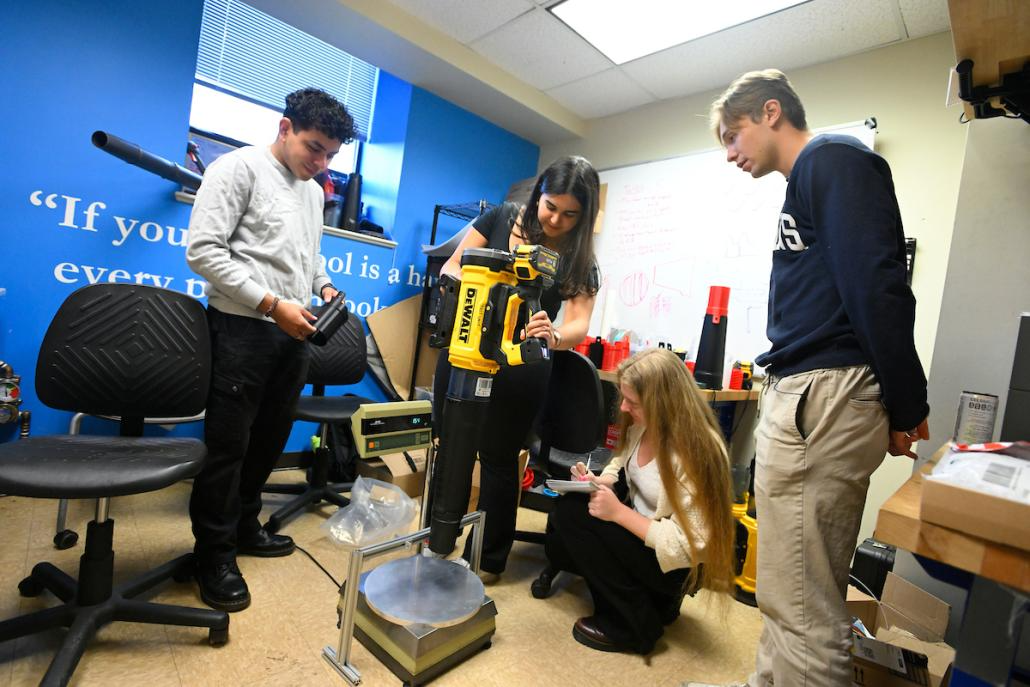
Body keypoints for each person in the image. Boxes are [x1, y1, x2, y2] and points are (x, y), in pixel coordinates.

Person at [689, 69, 930, 687]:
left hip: (823, 393)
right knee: (788, 591)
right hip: (812, 392)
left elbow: (878, 287)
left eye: (733, 135)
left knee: (805, 609)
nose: (730, 153)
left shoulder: (834, 161)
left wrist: (907, 405)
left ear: (770, 112)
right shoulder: (809, 180)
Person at [185, 88, 355, 612]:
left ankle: (245, 528)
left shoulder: (313, 190)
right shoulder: (237, 170)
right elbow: (203, 252)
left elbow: (309, 253)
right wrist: (270, 304)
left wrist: (323, 285)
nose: (321, 163)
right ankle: (213, 556)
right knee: (228, 449)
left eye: (331, 155)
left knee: (268, 441)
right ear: (285, 128)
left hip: (293, 330)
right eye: (314, 148)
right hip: (241, 328)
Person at [433, 155, 601, 580]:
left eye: (570, 214)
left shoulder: (580, 257)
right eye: (550, 207)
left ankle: (486, 560)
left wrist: (554, 335)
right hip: (467, 346)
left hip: (521, 362)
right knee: (449, 444)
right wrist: (463, 285)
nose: (556, 220)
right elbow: (454, 263)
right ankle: (438, 541)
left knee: (499, 458)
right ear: (538, 194)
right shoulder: (500, 217)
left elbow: (579, 322)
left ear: (584, 216)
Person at [535, 348, 735, 655]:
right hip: (647, 542)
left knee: (573, 516)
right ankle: (654, 602)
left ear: (663, 403)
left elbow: (688, 546)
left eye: (634, 402)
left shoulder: (699, 452)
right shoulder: (645, 425)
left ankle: (631, 627)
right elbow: (622, 462)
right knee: (573, 506)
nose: (624, 408)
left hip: (676, 564)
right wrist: (601, 480)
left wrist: (618, 513)